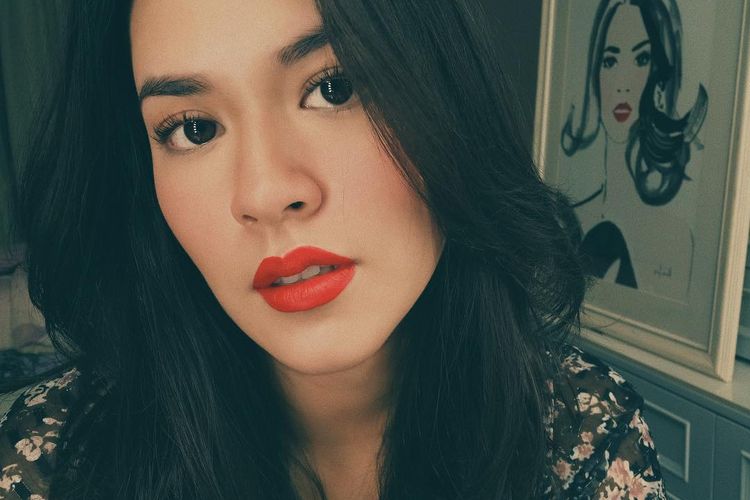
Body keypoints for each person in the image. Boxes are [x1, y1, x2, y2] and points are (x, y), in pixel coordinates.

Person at [0, 0, 666, 498]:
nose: (265, 192)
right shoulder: (49, 464)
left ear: (450, 99)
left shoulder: (579, 435)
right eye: (193, 129)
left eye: (334, 87)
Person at [560, 0, 707, 299]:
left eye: (641, 59)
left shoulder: (675, 240)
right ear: (595, 76)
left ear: (659, 78)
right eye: (610, 61)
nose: (622, 84)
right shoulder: (568, 221)